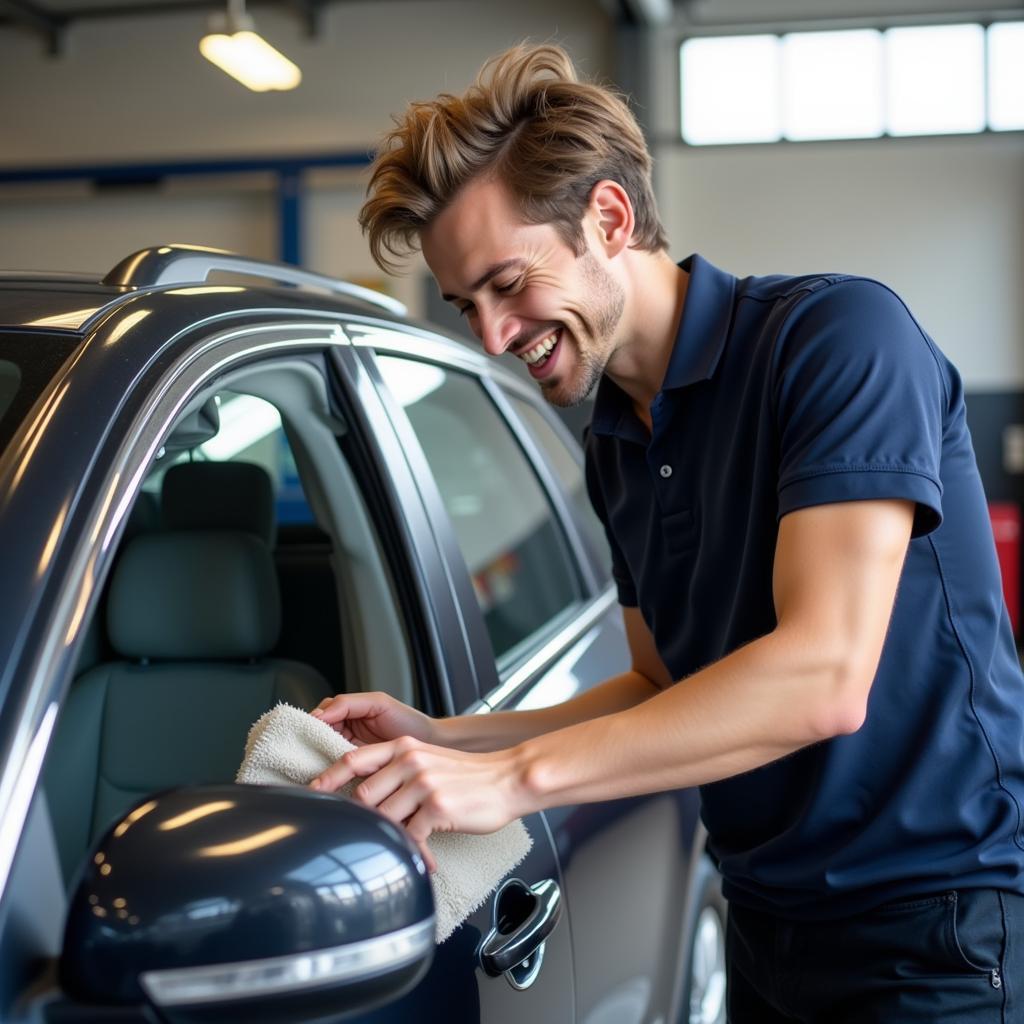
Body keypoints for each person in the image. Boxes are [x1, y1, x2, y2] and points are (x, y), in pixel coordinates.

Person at [308, 43, 1024, 1020]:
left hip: (933, 918)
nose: (490, 335)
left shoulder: (840, 341)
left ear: (607, 217)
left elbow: (822, 677)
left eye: (507, 284)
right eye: (465, 304)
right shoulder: (615, 437)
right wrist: (448, 737)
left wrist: (511, 781)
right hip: (766, 919)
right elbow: (656, 684)